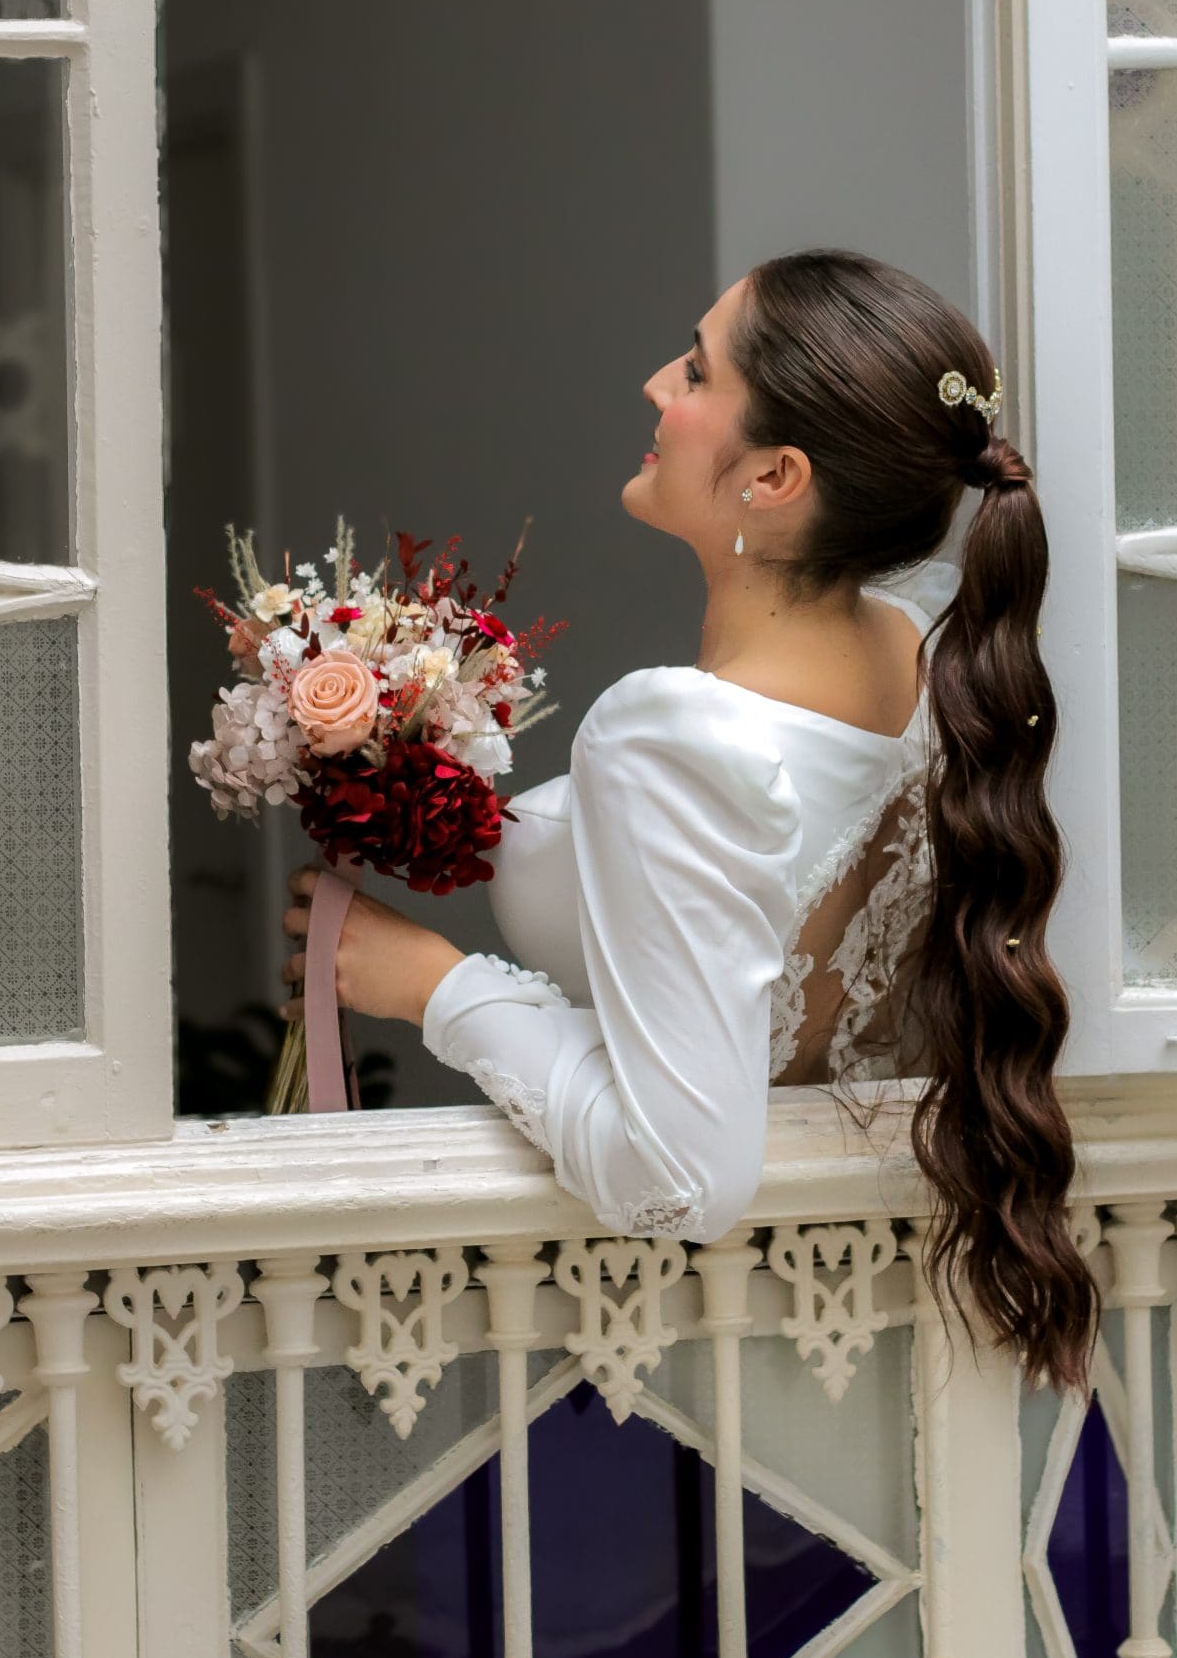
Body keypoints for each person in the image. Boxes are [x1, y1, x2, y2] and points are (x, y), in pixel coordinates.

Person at [282, 249, 1096, 1391]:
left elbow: (674, 1178)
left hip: (661, 1350)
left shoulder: (674, 738)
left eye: (698, 372)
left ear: (774, 477)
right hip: (833, 1299)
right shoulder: (926, 647)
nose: (658, 386)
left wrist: (432, 984)